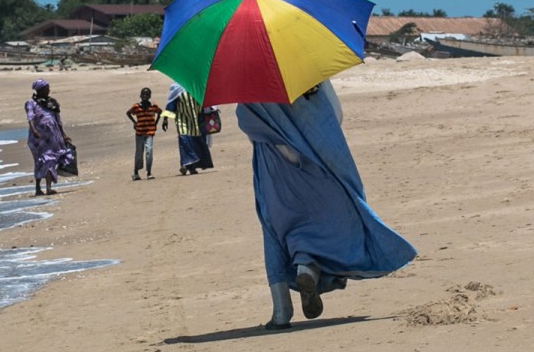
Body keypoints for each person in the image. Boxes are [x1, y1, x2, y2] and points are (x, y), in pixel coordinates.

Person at [237, 81, 417, 330]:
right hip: (316, 155)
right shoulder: (308, 73)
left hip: (273, 164)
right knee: (329, 218)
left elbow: (249, 125)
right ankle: (306, 267)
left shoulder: (247, 81)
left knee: (275, 229)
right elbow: (335, 114)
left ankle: (281, 310)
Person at [25, 79, 73, 196]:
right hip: (38, 138)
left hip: (53, 137)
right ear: (39, 90)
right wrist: (34, 130)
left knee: (50, 160)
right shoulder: (31, 103)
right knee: (40, 161)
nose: (48, 91)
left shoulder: (52, 103)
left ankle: (48, 188)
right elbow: (30, 117)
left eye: (48, 89)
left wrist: (63, 134)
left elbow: (58, 120)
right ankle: (38, 188)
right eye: (46, 89)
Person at [164, 83, 213, 175]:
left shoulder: (198, 87)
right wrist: (165, 119)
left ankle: (191, 167)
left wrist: (210, 112)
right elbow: (171, 103)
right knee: (184, 140)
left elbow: (206, 101)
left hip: (197, 120)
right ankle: (186, 164)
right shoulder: (177, 87)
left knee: (195, 142)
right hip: (182, 120)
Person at [125, 87, 162, 180]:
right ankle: (136, 172)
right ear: (140, 96)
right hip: (140, 133)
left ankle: (149, 172)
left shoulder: (153, 106)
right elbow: (128, 113)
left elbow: (160, 112)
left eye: (147, 94)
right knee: (139, 152)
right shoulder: (136, 107)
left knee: (149, 151)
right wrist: (134, 123)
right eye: (143, 94)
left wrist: (156, 123)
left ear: (150, 96)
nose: (145, 96)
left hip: (150, 132)